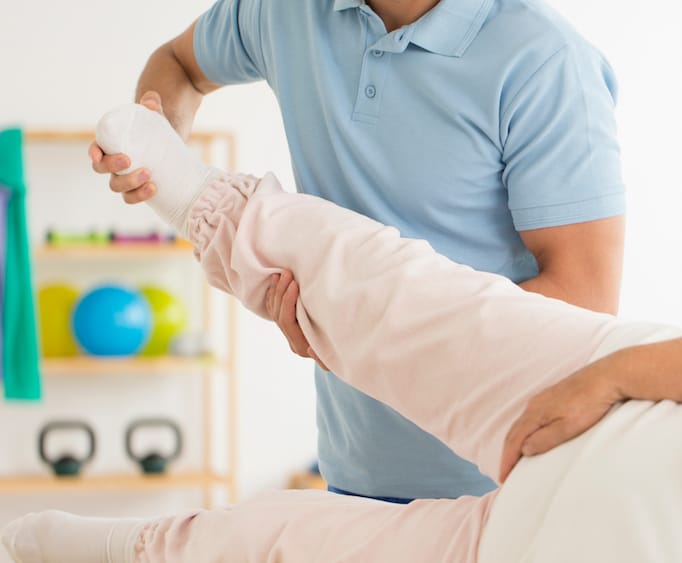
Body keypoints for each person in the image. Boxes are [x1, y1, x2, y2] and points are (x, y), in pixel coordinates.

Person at [5, 103, 682, 563]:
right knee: (386, 290)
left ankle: (39, 544)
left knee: (261, 548)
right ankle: (189, 187)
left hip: (515, 552)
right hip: (612, 396)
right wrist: (613, 379)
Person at [88, 0, 627, 503]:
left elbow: (583, 305)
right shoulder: (288, 12)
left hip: (508, 484)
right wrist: (159, 143)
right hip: (355, 476)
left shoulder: (547, 64)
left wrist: (358, 326)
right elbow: (180, 63)